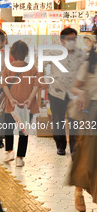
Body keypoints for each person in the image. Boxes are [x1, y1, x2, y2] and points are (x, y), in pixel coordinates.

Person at [46, 28, 86, 156]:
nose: (72, 42)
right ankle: (60, 145)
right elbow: (39, 63)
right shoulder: (53, 52)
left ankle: (74, 148)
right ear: (62, 40)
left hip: (74, 94)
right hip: (56, 92)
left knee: (74, 120)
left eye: (74, 39)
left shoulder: (81, 54)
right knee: (58, 120)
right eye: (69, 39)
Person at [69, 32, 97, 211]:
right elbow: (74, 86)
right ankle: (79, 190)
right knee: (87, 155)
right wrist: (82, 94)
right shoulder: (88, 64)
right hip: (92, 112)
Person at [3, 40, 40, 167]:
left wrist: (11, 99)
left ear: (12, 53)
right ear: (26, 54)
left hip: (11, 104)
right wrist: (29, 99)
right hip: (26, 105)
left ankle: (9, 152)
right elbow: (36, 85)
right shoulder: (32, 68)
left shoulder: (8, 67)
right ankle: (20, 158)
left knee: (8, 128)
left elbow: (4, 86)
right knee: (24, 131)